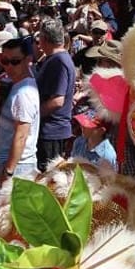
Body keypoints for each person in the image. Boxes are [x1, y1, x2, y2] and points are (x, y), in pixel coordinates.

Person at [0, 38, 40, 186]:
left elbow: (21, 135)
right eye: (5, 61)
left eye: (15, 61)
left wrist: (8, 171)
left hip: (18, 166)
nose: (9, 66)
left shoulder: (24, 93)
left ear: (28, 60)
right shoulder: (19, 84)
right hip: (12, 163)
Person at [34, 19, 75, 171]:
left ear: (44, 39)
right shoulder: (55, 59)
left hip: (51, 133)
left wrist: (34, 114)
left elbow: (57, 100)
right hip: (50, 132)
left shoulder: (59, 62)